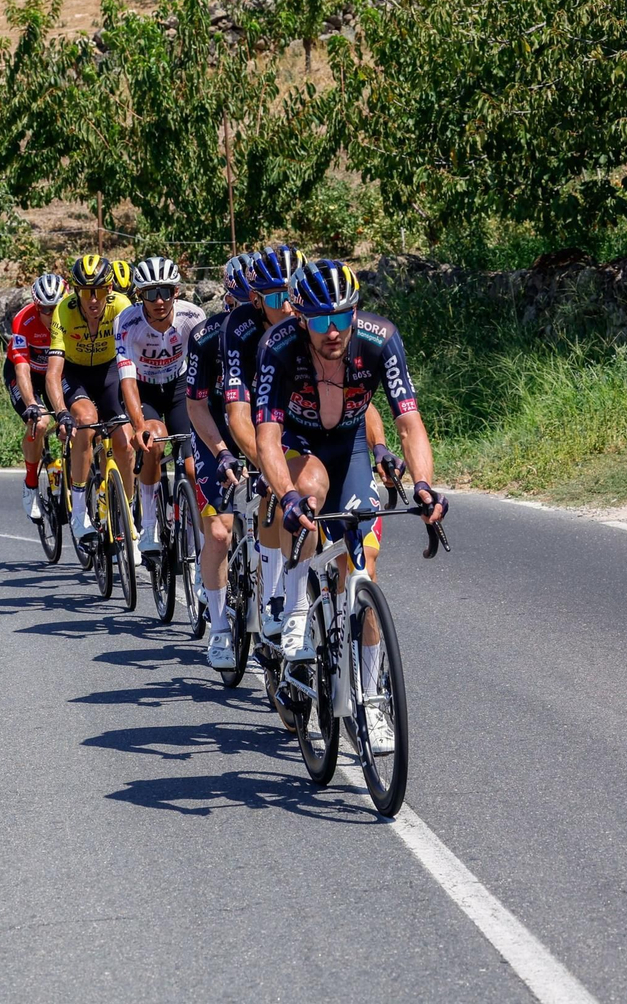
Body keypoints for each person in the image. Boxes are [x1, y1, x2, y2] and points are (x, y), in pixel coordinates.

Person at [252, 259, 447, 753]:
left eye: (343, 317)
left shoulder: (380, 339)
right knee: (311, 491)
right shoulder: (278, 348)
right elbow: (268, 438)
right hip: (299, 445)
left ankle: (372, 701)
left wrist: (423, 485)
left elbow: (408, 423)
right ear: (300, 319)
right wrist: (287, 495)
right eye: (320, 321)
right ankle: (298, 611)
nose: (334, 331)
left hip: (352, 445)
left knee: (364, 565)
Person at [223, 244, 392, 640]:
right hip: (276, 425)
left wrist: (380, 445)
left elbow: (359, 400)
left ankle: (352, 659)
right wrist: (272, 475)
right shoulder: (247, 334)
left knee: (361, 561)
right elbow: (241, 416)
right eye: (277, 297)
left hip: (329, 430)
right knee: (295, 489)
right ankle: (279, 597)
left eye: (290, 294)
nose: (284, 306)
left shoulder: (344, 338)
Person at [185, 253, 254, 670]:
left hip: (261, 427)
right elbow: (194, 406)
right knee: (221, 532)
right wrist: (223, 451)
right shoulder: (206, 335)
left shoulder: (281, 333)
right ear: (229, 300)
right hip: (214, 430)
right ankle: (220, 629)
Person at [117, 256, 206, 555]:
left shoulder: (193, 317)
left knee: (193, 468)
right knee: (153, 442)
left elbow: (208, 369)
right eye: (150, 292)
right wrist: (139, 426)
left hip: (180, 387)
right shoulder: (128, 322)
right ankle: (150, 525)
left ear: (176, 292)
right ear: (139, 294)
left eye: (165, 291)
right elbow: (127, 379)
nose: (159, 300)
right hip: (144, 390)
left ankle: (195, 534)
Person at [46, 255, 133, 544]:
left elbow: (135, 358)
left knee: (125, 441)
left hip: (110, 371)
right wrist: (60, 413)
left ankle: (128, 515)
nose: (93, 299)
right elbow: (53, 373)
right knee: (85, 420)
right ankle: (80, 509)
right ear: (75, 291)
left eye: (99, 291)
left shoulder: (122, 306)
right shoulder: (64, 310)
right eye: (85, 291)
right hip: (76, 372)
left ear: (110, 289)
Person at [6, 273, 67, 523]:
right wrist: (32, 403)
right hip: (26, 374)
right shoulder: (23, 320)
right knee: (39, 422)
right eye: (45, 309)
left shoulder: (73, 317)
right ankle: (30, 483)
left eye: (56, 308)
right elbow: (21, 369)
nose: (51, 314)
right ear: (36, 305)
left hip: (55, 373)